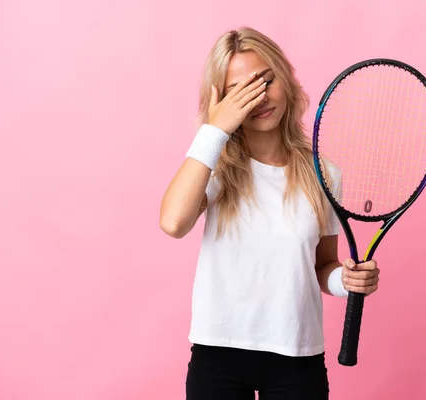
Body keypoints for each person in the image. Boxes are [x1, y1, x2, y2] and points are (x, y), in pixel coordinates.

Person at [159, 26, 380, 400]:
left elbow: (321, 265)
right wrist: (215, 129)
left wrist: (347, 281)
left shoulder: (324, 174)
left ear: (286, 80)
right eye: (238, 90)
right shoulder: (213, 165)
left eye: (265, 79)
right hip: (219, 352)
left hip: (297, 354)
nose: (258, 96)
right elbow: (173, 222)